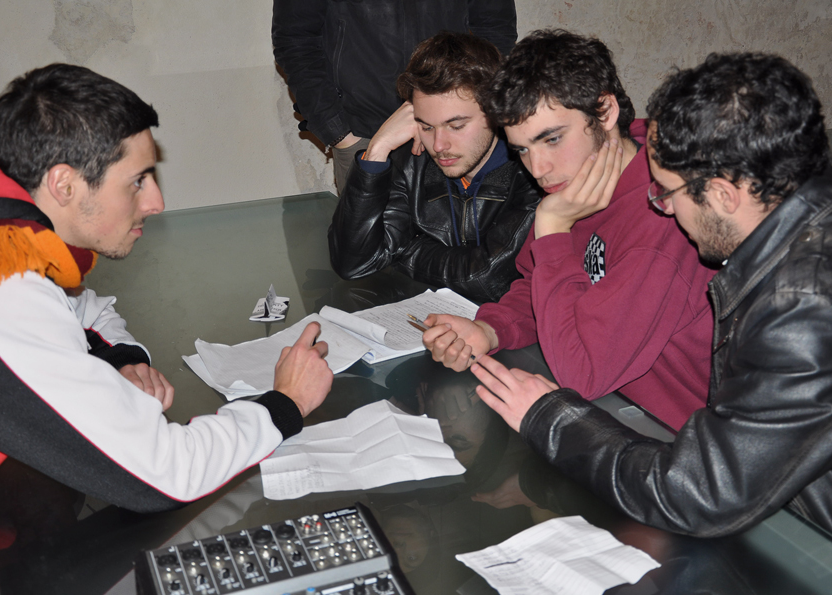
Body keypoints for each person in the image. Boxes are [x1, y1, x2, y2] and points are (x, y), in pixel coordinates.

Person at [468, 52, 832, 548]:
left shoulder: (805, 309)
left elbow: (698, 492)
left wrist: (549, 417)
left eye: (669, 193)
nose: (664, 208)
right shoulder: (819, 224)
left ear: (724, 195)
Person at [0, 64, 333, 512]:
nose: (156, 202)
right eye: (136, 181)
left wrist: (121, 361)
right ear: (63, 184)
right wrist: (286, 403)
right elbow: (166, 474)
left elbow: (88, 311)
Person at [423, 30, 715, 430]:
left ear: (605, 112)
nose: (538, 169)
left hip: (677, 435)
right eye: (522, 149)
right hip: (616, 411)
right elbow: (539, 286)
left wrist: (553, 228)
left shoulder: (666, 215)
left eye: (553, 139)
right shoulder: (581, 183)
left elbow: (583, 374)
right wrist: (490, 329)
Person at [328, 32, 541, 305]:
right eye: (426, 127)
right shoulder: (412, 160)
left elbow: (488, 279)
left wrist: (405, 251)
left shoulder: (534, 170)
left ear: (496, 112)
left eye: (456, 126)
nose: (439, 145)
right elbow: (353, 264)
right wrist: (377, 151)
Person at [271, 0, 517, 195]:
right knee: (364, 240)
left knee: (470, 238)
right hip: (362, 134)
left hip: (454, 127)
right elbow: (294, 40)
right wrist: (338, 132)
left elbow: (496, 29)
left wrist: (476, 113)